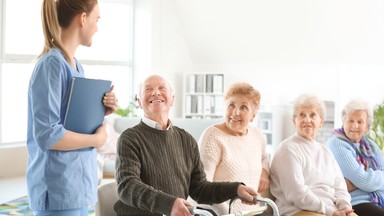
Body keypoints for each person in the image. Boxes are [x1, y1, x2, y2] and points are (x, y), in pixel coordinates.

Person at [114, 74, 260, 216]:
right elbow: (127, 186)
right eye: (148, 89)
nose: (156, 92)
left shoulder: (186, 139)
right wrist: (169, 205)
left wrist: (236, 189)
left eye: (162, 88)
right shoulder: (129, 139)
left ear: (172, 99)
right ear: (139, 101)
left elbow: (200, 189)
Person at [27, 0, 118, 215]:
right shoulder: (51, 65)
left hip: (77, 186)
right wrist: (97, 140)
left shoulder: (76, 66)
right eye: (97, 19)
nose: (97, 27)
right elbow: (48, 135)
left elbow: (72, 120)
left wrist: (101, 110)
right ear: (83, 19)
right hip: (59, 188)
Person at [269, 93, 355, 216]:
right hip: (297, 210)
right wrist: (331, 211)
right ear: (294, 121)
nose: (307, 120)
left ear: (321, 122)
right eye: (302, 115)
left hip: (329, 210)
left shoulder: (325, 151)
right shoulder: (287, 149)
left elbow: (339, 187)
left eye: (313, 115)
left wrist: (345, 208)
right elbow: (297, 194)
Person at [199, 82, 270, 215]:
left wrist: (265, 171)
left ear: (253, 116)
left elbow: (265, 157)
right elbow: (203, 187)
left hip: (255, 212)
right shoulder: (212, 136)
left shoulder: (257, 135)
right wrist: (228, 213)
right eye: (231, 105)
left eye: (243, 107)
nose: (235, 112)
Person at [327, 99, 384, 216]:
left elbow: (362, 179)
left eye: (360, 121)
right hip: (354, 202)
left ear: (367, 126)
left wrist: (357, 182)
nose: (354, 125)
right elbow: (363, 180)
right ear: (343, 122)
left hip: (378, 199)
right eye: (350, 120)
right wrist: (368, 179)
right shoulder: (336, 143)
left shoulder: (370, 145)